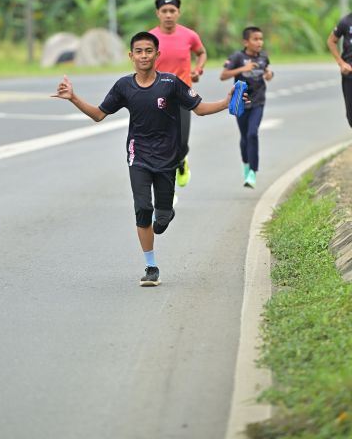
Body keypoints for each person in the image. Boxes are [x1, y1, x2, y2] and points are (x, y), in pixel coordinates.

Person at [52, 31, 235, 287]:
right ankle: (151, 267)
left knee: (161, 219)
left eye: (149, 51)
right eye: (139, 51)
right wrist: (73, 98)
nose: (144, 56)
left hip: (167, 158)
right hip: (138, 155)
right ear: (131, 56)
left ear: (157, 55)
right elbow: (98, 114)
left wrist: (226, 102)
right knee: (143, 208)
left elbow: (200, 109)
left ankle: (166, 214)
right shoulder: (124, 86)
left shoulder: (171, 83)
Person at [149, 0, 207, 188]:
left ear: (178, 13)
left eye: (172, 11)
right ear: (157, 13)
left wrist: (198, 70)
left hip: (182, 95)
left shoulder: (189, 35)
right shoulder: (150, 38)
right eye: (164, 10)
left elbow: (201, 52)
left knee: (181, 142)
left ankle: (182, 160)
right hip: (156, 95)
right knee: (161, 144)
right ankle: (167, 188)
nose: (168, 15)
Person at [220, 26, 273, 189]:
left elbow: (267, 71)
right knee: (244, 137)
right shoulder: (237, 57)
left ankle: (252, 172)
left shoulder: (263, 57)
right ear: (246, 42)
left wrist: (269, 74)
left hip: (258, 101)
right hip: (240, 100)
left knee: (252, 134)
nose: (259, 42)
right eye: (255, 39)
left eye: (261, 39)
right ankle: (246, 165)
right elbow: (223, 75)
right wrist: (243, 69)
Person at [327, 12, 352, 127]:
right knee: (351, 116)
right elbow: (331, 41)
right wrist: (341, 63)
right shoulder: (346, 21)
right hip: (349, 74)